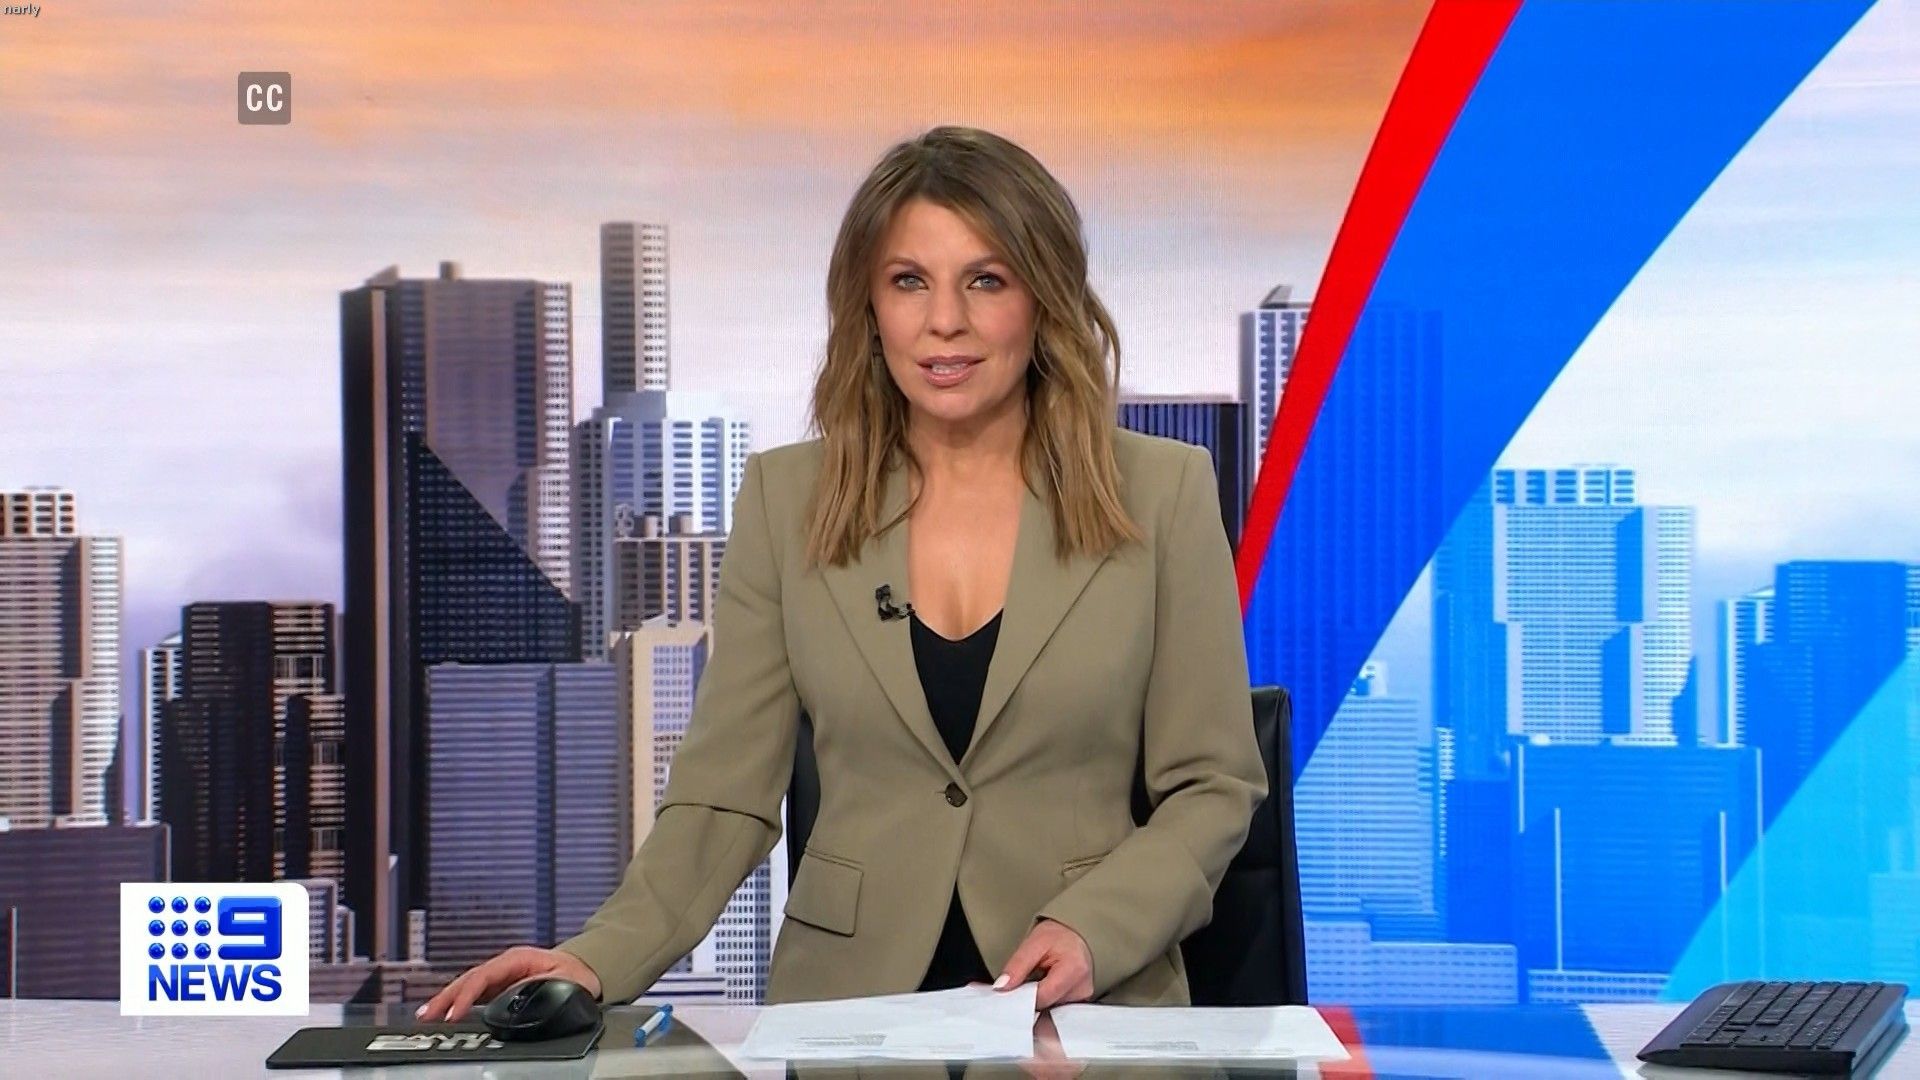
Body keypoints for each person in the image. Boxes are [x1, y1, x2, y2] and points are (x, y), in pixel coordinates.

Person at [419, 124, 1267, 1022]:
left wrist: (1097, 928)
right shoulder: (789, 501)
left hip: (1087, 1011)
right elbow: (724, 797)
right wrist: (594, 958)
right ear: (868, 304)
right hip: (846, 1014)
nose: (945, 320)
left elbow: (1213, 786)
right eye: (909, 281)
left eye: (986, 279)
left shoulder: (1162, 493)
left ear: (1043, 298)